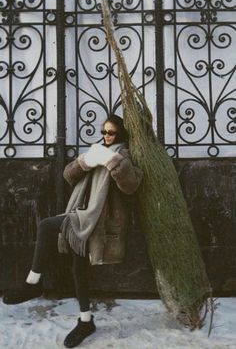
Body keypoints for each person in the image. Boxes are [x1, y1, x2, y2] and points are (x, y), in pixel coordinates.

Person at [3, 114, 143, 348]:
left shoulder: (124, 155)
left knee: (50, 229)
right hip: (81, 212)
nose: (106, 136)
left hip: (97, 220)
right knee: (76, 266)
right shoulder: (97, 149)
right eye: (104, 131)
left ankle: (34, 283)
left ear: (121, 135)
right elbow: (68, 175)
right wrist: (87, 161)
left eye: (111, 133)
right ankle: (85, 320)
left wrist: (111, 161)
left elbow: (130, 185)